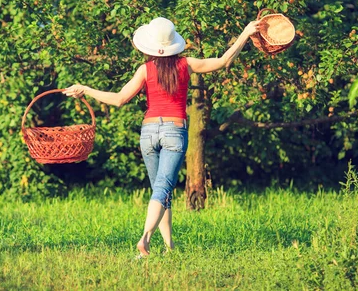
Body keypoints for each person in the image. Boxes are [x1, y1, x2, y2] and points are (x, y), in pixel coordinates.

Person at [63, 17, 261, 257]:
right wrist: (245, 33)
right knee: (163, 188)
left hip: (148, 133)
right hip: (174, 132)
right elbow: (223, 61)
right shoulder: (186, 64)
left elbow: (118, 99)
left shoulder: (144, 70)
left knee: (161, 189)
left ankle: (169, 247)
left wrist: (85, 89)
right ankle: (144, 239)